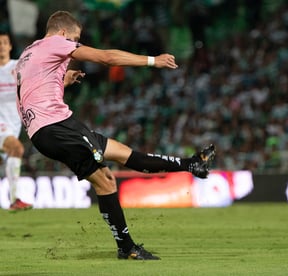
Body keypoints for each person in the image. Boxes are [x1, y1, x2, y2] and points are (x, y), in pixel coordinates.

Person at [15, 11, 215, 260]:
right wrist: (154, 61)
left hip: (44, 131)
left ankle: (191, 165)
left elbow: (29, 90)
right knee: (109, 175)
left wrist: (63, 79)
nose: (74, 45)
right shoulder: (57, 42)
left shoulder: (28, 53)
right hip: (57, 125)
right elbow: (107, 58)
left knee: (118, 163)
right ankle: (127, 247)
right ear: (64, 33)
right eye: (75, 39)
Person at [0, 32, 32, 211]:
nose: (1, 46)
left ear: (10, 46)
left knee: (7, 158)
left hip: (14, 124)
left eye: (5, 42)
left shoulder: (18, 68)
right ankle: (14, 200)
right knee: (17, 149)